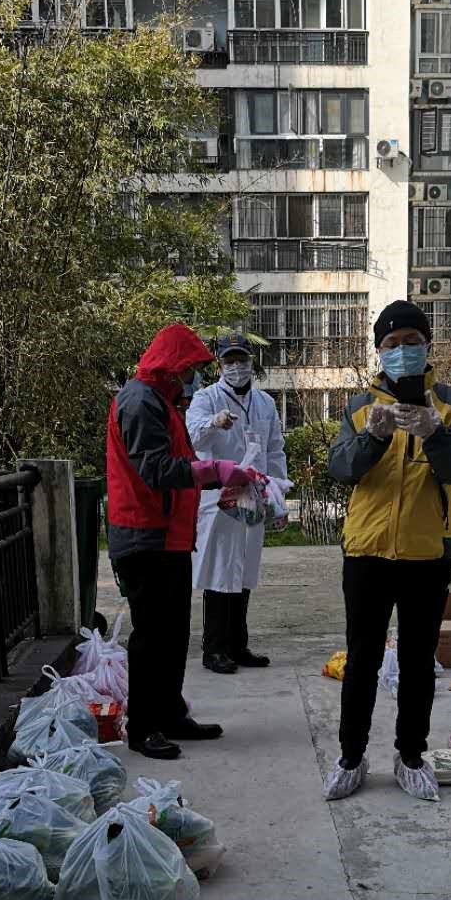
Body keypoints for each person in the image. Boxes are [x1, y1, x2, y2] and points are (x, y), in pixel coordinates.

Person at [322, 300, 451, 803]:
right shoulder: (359, 406)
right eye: (391, 344)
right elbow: (341, 469)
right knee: (362, 660)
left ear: (428, 345)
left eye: (412, 342)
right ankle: (351, 757)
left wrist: (434, 432)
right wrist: (372, 437)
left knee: (417, 662)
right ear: (379, 351)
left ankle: (411, 756)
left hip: (426, 553)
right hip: (366, 550)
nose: (403, 351)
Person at [107, 323, 258, 761]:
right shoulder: (139, 401)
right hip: (144, 536)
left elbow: (184, 465)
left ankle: (170, 714)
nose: (193, 376)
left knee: (173, 634)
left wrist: (224, 481)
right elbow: (156, 470)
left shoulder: (162, 402)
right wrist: (216, 471)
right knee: (152, 635)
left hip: (168, 535)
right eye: (190, 368)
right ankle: (143, 726)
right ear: (172, 366)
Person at [186, 332, 288, 674]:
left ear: (250, 361)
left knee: (244, 570)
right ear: (219, 364)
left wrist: (279, 495)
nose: (236, 367)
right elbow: (194, 435)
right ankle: (214, 648)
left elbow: (275, 449)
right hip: (219, 495)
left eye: (241, 360)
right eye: (229, 361)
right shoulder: (206, 398)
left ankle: (237, 645)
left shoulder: (265, 403)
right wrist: (214, 423)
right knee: (219, 571)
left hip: (254, 494)